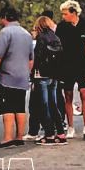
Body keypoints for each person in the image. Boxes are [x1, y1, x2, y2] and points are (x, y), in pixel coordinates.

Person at [0, 5, 33, 148]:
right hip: (22, 77)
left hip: (7, 77)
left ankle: (7, 138)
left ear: (5, 17)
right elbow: (31, 59)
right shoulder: (26, 34)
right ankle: (19, 137)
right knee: (19, 107)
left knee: (7, 108)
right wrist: (26, 72)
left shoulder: (5, 33)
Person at [55, 0, 85, 139]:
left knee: (84, 93)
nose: (63, 17)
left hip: (83, 65)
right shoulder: (61, 27)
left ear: (73, 12)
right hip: (66, 67)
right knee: (68, 96)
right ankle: (70, 127)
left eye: (65, 14)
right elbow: (58, 47)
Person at [31, 16, 67, 145]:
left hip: (42, 75)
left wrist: (32, 75)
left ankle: (49, 134)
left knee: (44, 106)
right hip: (54, 75)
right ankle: (61, 133)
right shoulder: (56, 38)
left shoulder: (41, 38)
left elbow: (37, 58)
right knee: (53, 104)